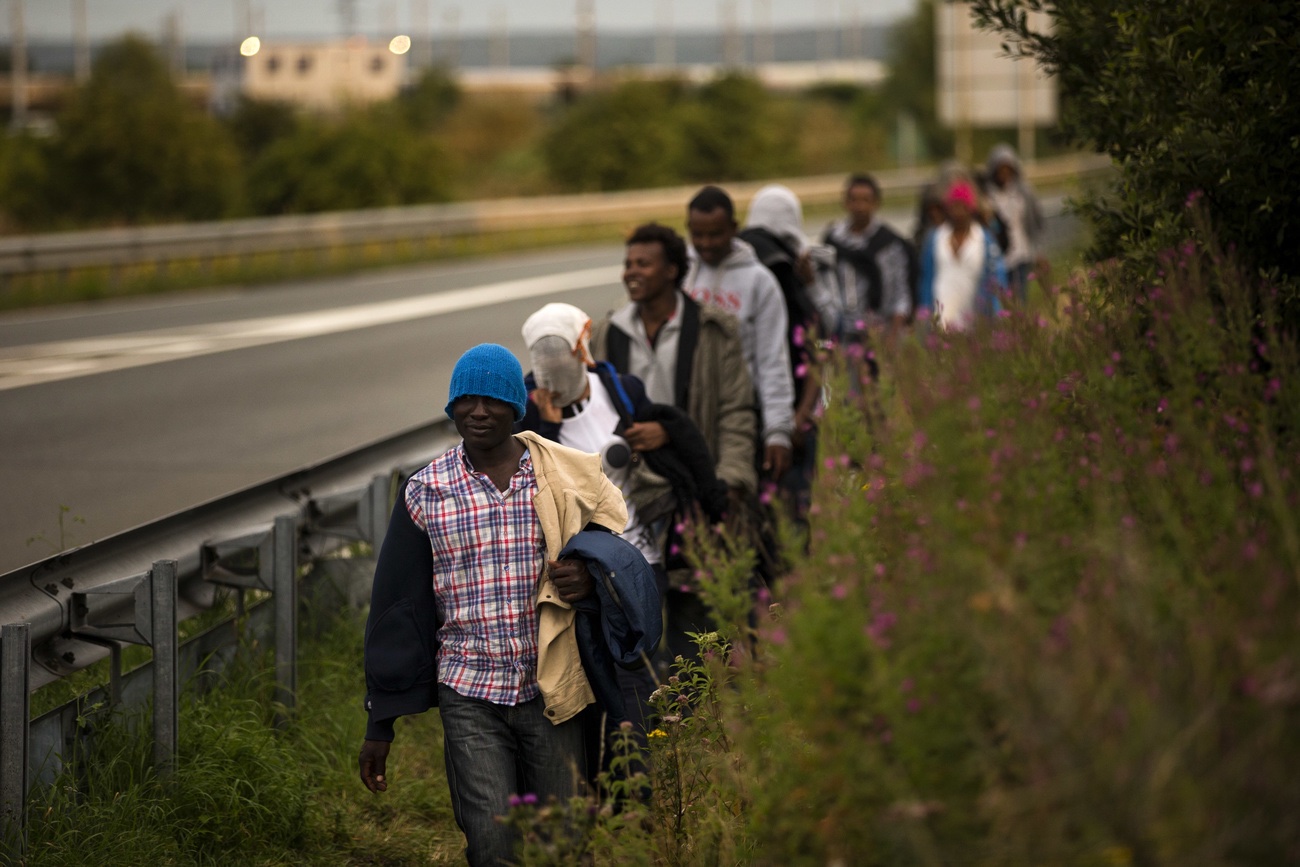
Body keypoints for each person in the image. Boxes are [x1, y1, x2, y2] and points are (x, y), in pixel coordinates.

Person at [358, 343, 656, 866]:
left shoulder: (560, 478)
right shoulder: (426, 491)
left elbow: (617, 557)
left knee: (564, 843)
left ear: (515, 409)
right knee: (492, 844)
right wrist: (380, 721)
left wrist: (586, 579)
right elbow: (395, 609)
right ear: (451, 407)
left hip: (552, 689)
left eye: (493, 399)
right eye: (466, 400)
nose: (478, 411)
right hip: (469, 691)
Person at [516, 302, 729, 719]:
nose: (553, 362)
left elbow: (671, 436)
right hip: (582, 565)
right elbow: (531, 481)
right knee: (608, 669)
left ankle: (661, 743)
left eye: (560, 349)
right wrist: (549, 426)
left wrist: (664, 433)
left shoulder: (620, 389)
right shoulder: (529, 410)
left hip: (642, 552)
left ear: (581, 347)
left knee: (645, 659)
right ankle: (626, 755)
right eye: (543, 353)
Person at [590, 222, 757, 662]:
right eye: (628, 263)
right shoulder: (610, 332)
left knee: (696, 619)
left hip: (695, 494)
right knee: (633, 618)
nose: (631, 272)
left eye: (643, 263)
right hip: (632, 499)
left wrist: (729, 481)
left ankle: (700, 717)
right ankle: (644, 719)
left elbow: (736, 410)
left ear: (672, 270)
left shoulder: (712, 328)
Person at [682, 185, 796, 486]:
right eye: (698, 234)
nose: (706, 243)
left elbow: (772, 360)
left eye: (715, 234)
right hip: (688, 412)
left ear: (734, 228)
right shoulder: (678, 273)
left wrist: (778, 430)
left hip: (740, 415)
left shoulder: (760, 282)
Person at [738, 184, 824, 522]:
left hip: (747, 418)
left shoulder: (740, 267)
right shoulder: (787, 267)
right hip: (788, 416)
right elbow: (821, 343)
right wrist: (800, 418)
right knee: (788, 519)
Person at [822, 173, 918, 342]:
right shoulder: (833, 242)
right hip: (844, 333)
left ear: (876, 203)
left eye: (865, 200)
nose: (859, 207)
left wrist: (894, 334)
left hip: (881, 330)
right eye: (854, 200)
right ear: (845, 202)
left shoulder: (890, 244)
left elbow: (901, 294)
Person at [917, 181, 1008, 332]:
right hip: (941, 318)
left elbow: (997, 278)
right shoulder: (935, 238)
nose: (958, 212)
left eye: (962, 206)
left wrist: (996, 313)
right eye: (954, 206)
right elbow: (926, 277)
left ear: (971, 208)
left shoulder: (984, 239)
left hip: (975, 318)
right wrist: (925, 313)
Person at [983, 143, 1047, 304]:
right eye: (1000, 169)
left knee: (1020, 299)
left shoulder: (1023, 192)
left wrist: (1038, 250)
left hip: (1020, 254)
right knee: (999, 300)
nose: (1004, 173)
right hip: (996, 257)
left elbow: (1036, 221)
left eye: (1008, 169)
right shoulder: (987, 194)